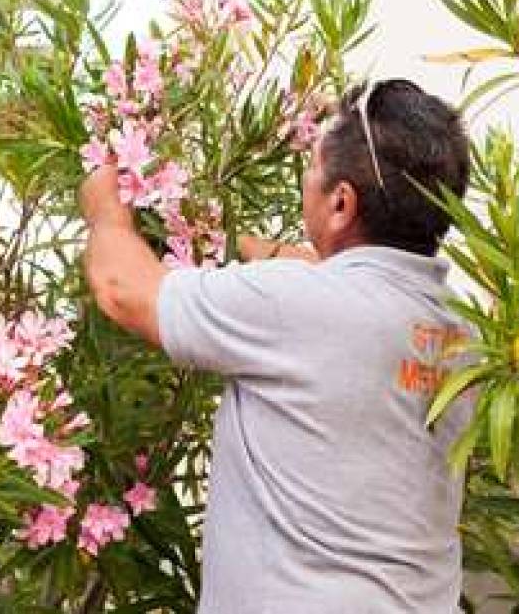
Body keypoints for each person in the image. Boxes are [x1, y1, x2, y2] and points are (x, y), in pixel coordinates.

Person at [80, 78, 473, 613]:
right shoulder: (464, 333)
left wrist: (104, 205)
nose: (305, 181)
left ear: (341, 202)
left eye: (311, 168)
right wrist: (218, 230)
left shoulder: (296, 307)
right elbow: (323, 277)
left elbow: (122, 291)